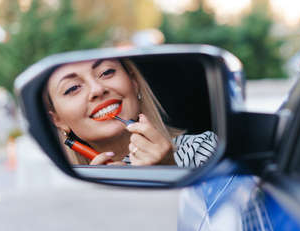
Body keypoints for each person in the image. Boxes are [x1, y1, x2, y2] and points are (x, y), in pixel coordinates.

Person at [43, 58, 217, 168]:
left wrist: (167, 169)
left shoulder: (201, 149)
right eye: (72, 88)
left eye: (106, 72)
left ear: (133, 82)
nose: (97, 90)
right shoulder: (68, 188)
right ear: (58, 119)